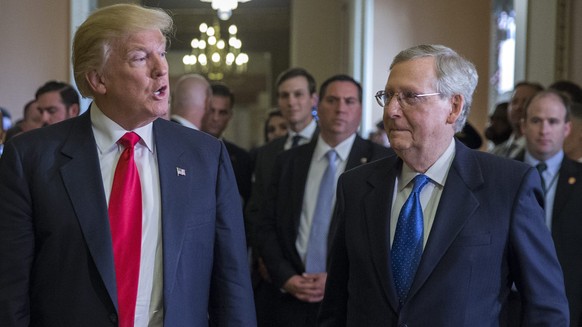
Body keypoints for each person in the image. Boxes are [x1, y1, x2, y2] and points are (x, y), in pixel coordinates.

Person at [0, 4, 256, 327]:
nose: (161, 69)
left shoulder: (206, 157)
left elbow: (232, 287)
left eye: (161, 53)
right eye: (140, 58)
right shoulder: (30, 158)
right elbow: (10, 294)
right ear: (98, 79)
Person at [317, 44, 569, 326]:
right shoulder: (356, 186)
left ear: (454, 107)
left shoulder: (508, 186)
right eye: (387, 96)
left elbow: (546, 308)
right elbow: (336, 305)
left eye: (409, 97)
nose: (391, 111)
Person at [258, 74, 392, 326]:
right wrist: (286, 277)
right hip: (288, 300)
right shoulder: (288, 161)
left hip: (346, 303)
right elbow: (266, 225)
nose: (341, 108)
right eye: (332, 100)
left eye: (349, 101)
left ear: (361, 109)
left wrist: (335, 278)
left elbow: (382, 238)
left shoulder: (381, 162)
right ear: (317, 104)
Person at [517, 90, 582, 326]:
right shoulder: (501, 175)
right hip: (511, 303)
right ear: (523, 126)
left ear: (566, 128)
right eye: (536, 121)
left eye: (553, 122)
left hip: (568, 302)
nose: (544, 130)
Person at [201, 82, 253, 210]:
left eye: (222, 112)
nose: (215, 118)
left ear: (230, 116)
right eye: (211, 110)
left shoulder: (242, 159)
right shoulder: (184, 150)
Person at [490, 81, 543, 158]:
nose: (518, 107)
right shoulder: (495, 153)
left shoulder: (542, 153)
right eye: (514, 101)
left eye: (525, 102)